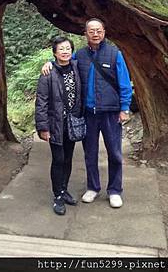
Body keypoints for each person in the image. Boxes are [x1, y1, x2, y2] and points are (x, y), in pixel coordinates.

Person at [42, 18, 132, 209]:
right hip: (87, 114)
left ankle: (115, 190)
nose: (95, 34)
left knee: (115, 153)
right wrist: (49, 63)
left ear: (104, 32)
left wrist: (124, 108)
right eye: (91, 31)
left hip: (110, 112)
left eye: (99, 30)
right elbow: (63, 62)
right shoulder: (79, 56)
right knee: (90, 153)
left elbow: (124, 82)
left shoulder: (115, 54)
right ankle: (93, 187)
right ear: (85, 34)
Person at [35, 36, 82, 216]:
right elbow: (41, 102)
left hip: (72, 123)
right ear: (54, 53)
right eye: (61, 49)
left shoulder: (77, 68)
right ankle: (58, 196)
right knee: (59, 159)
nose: (65, 51)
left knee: (68, 158)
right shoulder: (48, 73)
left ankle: (65, 189)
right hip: (55, 124)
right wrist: (43, 128)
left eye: (68, 48)